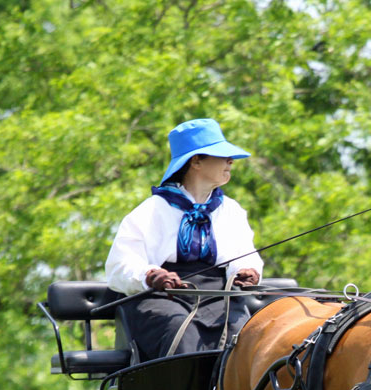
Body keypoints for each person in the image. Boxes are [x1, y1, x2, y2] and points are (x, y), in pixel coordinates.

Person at [106, 118, 264, 360]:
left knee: (245, 335)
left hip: (220, 295)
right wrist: (151, 275)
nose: (230, 161)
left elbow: (245, 253)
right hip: (161, 297)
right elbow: (119, 266)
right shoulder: (151, 211)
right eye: (221, 155)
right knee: (181, 329)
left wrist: (246, 271)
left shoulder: (231, 210)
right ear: (196, 161)